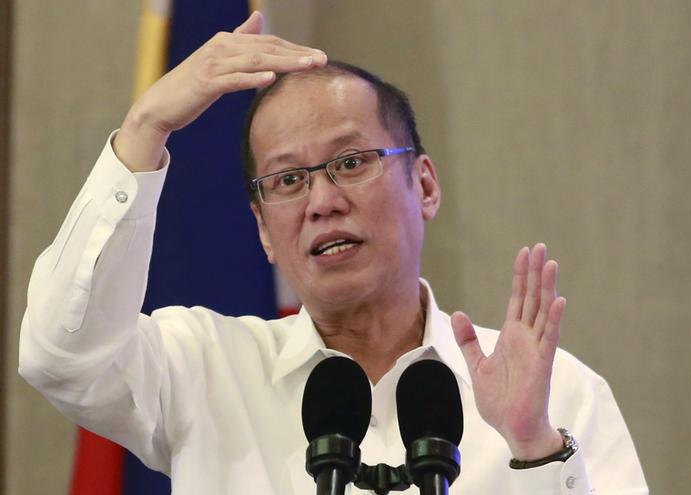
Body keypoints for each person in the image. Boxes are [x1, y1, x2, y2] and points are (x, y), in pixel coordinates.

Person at [19, 11, 648, 495]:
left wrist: (534, 448)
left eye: (350, 163)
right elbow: (60, 355)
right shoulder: (201, 370)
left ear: (424, 184)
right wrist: (144, 129)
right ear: (263, 230)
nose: (321, 201)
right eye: (288, 180)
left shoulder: (559, 394)